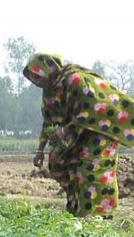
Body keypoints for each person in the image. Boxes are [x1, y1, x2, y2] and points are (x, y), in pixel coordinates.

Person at [24, 52, 134, 218]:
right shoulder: (49, 90)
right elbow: (48, 121)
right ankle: (76, 209)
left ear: (49, 69)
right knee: (60, 164)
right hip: (79, 130)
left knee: (90, 170)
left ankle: (99, 215)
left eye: (37, 77)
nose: (35, 82)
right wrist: (40, 150)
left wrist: (65, 131)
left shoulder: (74, 79)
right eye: (32, 77)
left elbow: (93, 108)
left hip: (101, 127)